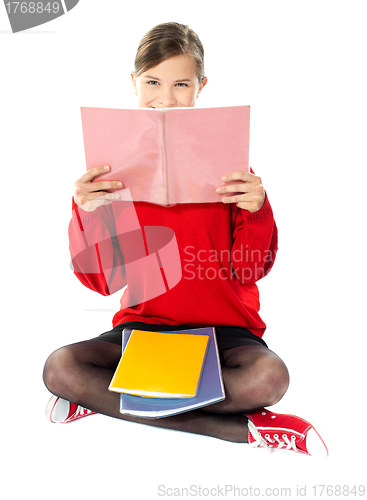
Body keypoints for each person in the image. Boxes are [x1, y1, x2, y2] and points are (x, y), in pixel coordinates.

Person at [43, 22, 329, 456]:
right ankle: (238, 430)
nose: (166, 97)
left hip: (226, 333)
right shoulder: (112, 177)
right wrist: (85, 212)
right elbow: (101, 282)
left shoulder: (235, 172)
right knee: (60, 367)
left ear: (201, 87)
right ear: (133, 83)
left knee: (270, 378)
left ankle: (108, 403)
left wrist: (257, 209)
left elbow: (250, 270)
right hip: (145, 330)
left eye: (181, 84)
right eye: (153, 82)